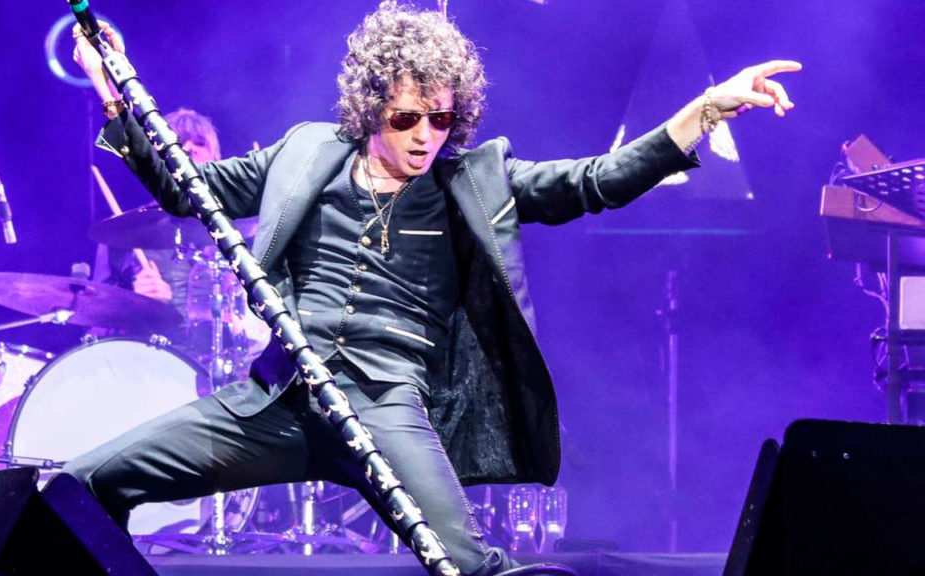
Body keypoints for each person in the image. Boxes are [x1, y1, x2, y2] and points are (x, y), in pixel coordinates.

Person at [68, 3, 800, 574]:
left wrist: (706, 110)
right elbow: (183, 188)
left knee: (471, 566)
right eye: (407, 118)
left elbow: (595, 181)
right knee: (85, 486)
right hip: (276, 401)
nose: (426, 135)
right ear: (371, 107)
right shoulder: (304, 151)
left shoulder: (476, 179)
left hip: (388, 406)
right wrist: (111, 90)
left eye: (442, 119)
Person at [92, 108, 269, 373]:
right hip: (150, 367)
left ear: (216, 158)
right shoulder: (124, 233)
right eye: (178, 142)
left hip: (230, 370)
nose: (189, 149)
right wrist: (135, 304)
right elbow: (94, 316)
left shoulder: (244, 232)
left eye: (200, 143)